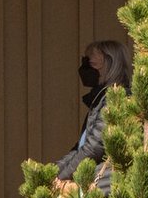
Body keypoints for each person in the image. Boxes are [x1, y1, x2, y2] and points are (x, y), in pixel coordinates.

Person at [55, 39, 131, 189]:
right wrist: (53, 172)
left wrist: (62, 177)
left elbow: (94, 147)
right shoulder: (101, 98)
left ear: (107, 62)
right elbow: (81, 147)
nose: (86, 67)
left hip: (105, 184)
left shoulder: (116, 98)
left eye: (90, 62)